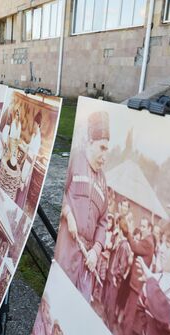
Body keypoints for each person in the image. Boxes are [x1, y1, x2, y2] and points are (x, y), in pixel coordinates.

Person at [54, 111, 109, 302]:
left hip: (87, 260)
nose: (104, 155)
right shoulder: (75, 160)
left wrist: (96, 250)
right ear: (90, 143)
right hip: (67, 246)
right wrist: (68, 214)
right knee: (58, 297)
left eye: (107, 150)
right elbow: (60, 192)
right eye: (102, 147)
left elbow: (104, 222)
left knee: (77, 303)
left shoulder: (103, 181)